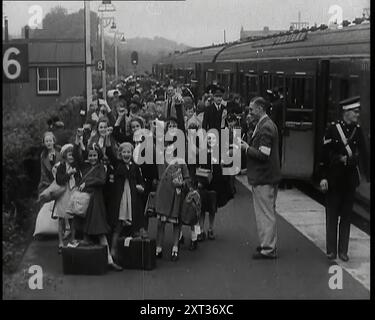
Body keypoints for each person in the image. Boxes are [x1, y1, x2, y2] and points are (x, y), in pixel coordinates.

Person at [319, 96, 369, 262]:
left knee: (347, 217)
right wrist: (323, 177)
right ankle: (331, 250)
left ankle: (343, 251)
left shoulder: (358, 130)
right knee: (332, 216)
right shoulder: (332, 129)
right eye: (355, 112)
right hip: (334, 180)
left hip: (350, 181)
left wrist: (367, 174)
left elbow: (363, 153)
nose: (357, 115)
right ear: (346, 112)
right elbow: (324, 155)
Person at [241, 97, 281, 259]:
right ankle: (268, 243)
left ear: (260, 109)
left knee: (265, 213)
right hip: (266, 176)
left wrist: (246, 148)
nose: (249, 112)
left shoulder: (265, 128)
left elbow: (264, 154)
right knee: (267, 212)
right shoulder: (266, 125)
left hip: (264, 177)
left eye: (252, 109)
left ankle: (268, 248)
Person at [73, 141, 122, 271]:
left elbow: (101, 180)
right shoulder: (85, 167)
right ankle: (101, 261)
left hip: (96, 201)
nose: (92, 158)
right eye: (90, 155)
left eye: (95, 155)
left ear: (98, 156)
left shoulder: (101, 167)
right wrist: (78, 142)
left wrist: (87, 183)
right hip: (86, 200)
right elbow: (77, 159)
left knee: (99, 230)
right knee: (87, 228)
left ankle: (109, 259)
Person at [105, 142, 146, 259]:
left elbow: (141, 181)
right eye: (124, 152)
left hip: (132, 199)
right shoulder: (118, 165)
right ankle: (113, 250)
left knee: (134, 227)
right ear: (120, 153)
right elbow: (109, 153)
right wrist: (107, 139)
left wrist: (141, 187)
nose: (126, 154)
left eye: (129, 152)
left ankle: (131, 255)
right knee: (118, 226)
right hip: (121, 200)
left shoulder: (135, 167)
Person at [155, 142, 190, 262]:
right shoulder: (161, 161)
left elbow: (187, 179)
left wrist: (183, 184)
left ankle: (175, 247)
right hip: (164, 194)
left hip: (176, 195)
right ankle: (158, 247)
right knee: (161, 223)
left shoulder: (181, 163)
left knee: (176, 223)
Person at [54, 144, 80, 254]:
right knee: (61, 218)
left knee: (72, 217)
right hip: (64, 193)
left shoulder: (76, 166)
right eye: (69, 154)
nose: (72, 156)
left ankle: (72, 239)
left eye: (73, 154)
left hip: (73, 192)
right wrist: (68, 174)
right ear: (65, 155)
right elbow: (59, 180)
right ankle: (61, 242)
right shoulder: (61, 166)